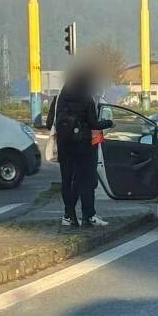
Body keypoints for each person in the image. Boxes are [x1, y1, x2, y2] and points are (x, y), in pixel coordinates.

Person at [45, 67, 112, 228]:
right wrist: (109, 123)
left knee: (67, 182)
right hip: (84, 147)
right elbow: (94, 123)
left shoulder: (59, 99)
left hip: (64, 147)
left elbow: (49, 124)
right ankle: (89, 215)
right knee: (86, 182)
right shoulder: (87, 98)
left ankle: (69, 216)